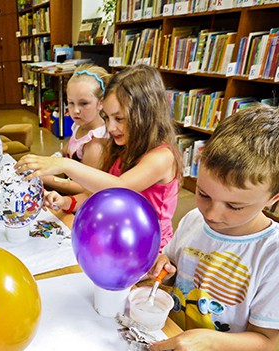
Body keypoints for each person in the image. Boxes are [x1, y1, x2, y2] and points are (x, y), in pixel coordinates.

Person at [147, 105, 279, 351]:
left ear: (278, 195)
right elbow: (172, 269)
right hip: (176, 335)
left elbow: (263, 341)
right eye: (203, 194)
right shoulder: (194, 219)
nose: (212, 214)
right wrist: (164, 267)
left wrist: (208, 341)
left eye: (234, 206)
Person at [16, 64, 180, 250]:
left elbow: (120, 187)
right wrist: (66, 202)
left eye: (119, 118)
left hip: (149, 250)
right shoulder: (122, 147)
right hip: (118, 239)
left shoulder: (162, 157)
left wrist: (64, 165)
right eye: (107, 118)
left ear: (146, 114)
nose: (110, 127)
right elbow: (99, 195)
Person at [44, 65, 109, 196]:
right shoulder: (80, 125)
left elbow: (85, 189)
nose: (76, 110)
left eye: (83, 103)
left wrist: (47, 178)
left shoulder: (95, 144)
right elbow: (66, 149)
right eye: (71, 103)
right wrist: (51, 160)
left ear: (100, 103)